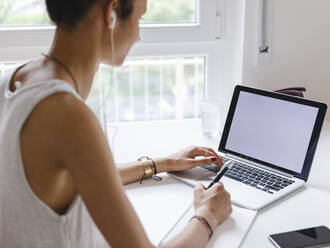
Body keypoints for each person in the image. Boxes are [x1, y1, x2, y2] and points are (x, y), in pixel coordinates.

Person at [0, 0, 232, 247]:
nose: (138, 36)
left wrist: (164, 163)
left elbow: (83, 176)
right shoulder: (68, 114)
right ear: (111, 13)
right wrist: (208, 216)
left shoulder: (13, 81)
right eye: (138, 19)